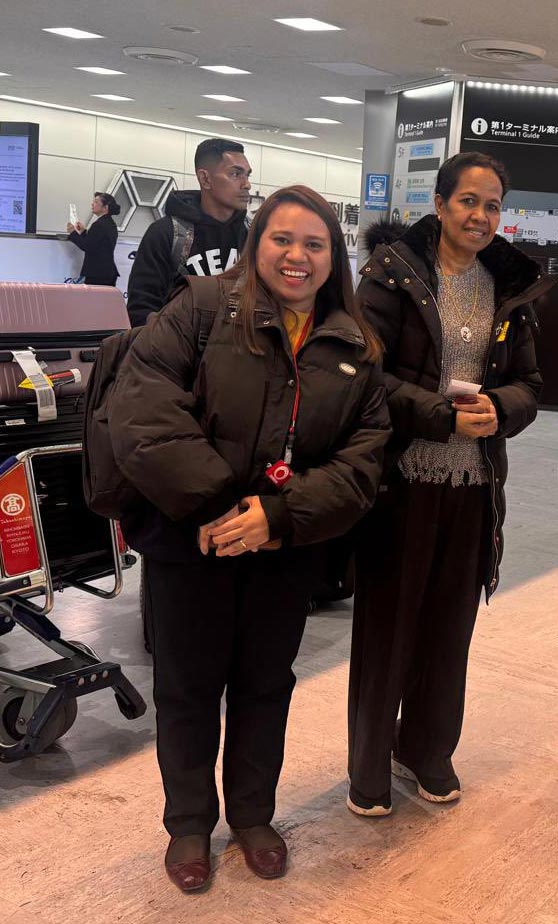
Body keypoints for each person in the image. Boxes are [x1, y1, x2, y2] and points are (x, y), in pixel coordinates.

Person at [109, 186, 388, 891]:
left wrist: (279, 516)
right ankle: (189, 825)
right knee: (188, 689)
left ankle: (254, 815)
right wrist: (219, 506)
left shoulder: (353, 346)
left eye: (315, 244)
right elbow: (143, 408)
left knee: (266, 685)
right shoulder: (201, 309)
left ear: (334, 257)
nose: (297, 256)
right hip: (191, 541)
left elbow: (362, 462)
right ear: (256, 243)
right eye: (282, 239)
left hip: (283, 551)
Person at [346, 152, 551, 815]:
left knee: (448, 627)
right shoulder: (392, 274)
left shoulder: (508, 286)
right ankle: (369, 766)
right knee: (388, 629)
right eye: (468, 201)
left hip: (474, 486)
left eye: (492, 205)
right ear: (438, 204)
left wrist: (501, 409)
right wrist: (439, 415)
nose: (480, 216)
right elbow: (364, 375)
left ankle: (427, 751)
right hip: (400, 482)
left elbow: (529, 382)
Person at [126, 138, 252, 327]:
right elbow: (141, 310)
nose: (246, 184)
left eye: (247, 175)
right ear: (205, 179)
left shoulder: (254, 235)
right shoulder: (167, 234)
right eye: (235, 174)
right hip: (177, 344)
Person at [66, 192, 121, 286]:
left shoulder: (99, 224)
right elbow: (96, 243)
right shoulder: (110, 223)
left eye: (96, 202)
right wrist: (83, 231)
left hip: (97, 273)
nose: (92, 204)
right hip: (106, 272)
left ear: (105, 207)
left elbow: (87, 246)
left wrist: (73, 233)